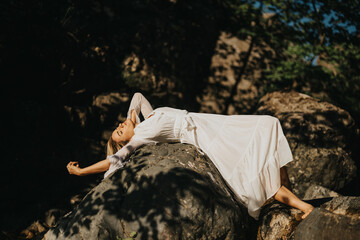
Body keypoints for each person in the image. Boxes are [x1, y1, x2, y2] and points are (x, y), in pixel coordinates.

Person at [67, 92, 314, 219]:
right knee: (249, 167)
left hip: (206, 122)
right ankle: (303, 206)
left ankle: (292, 194)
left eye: (119, 125)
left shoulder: (144, 120)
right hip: (203, 137)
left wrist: (131, 117)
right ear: (124, 143)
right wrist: (81, 171)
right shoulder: (140, 138)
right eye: (117, 133)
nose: (119, 126)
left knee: (267, 126)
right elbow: (113, 161)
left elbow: (138, 97)